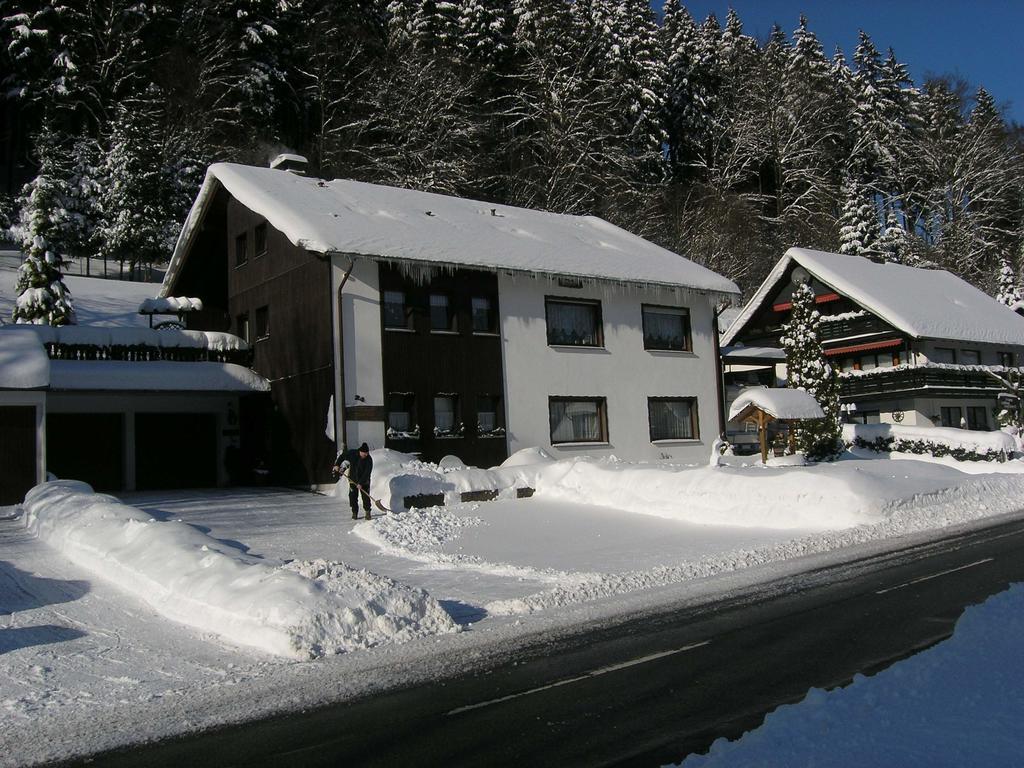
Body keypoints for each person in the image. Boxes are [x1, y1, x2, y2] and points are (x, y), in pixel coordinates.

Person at [333, 443, 373, 520]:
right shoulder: (352, 453)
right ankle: (354, 512)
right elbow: (342, 456)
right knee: (353, 497)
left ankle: (367, 512)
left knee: (365, 497)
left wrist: (361, 483)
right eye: (364, 453)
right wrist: (337, 464)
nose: (366, 455)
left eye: (367, 453)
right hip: (353, 479)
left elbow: (367, 472)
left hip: (364, 481)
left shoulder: (369, 459)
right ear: (360, 451)